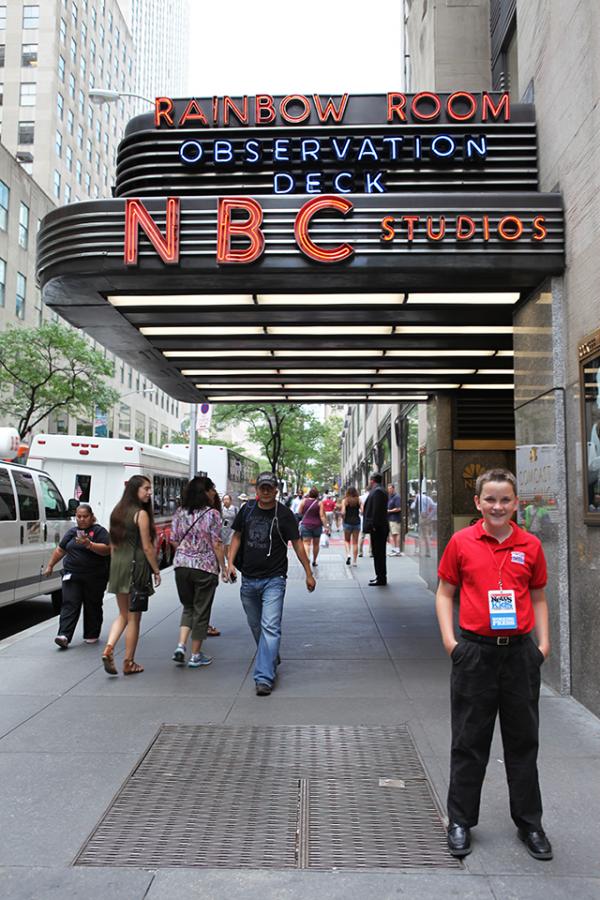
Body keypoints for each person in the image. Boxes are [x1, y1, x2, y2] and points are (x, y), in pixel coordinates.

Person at [435, 468, 552, 861]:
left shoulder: (531, 545)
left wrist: (543, 644)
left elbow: (537, 596)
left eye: (505, 500)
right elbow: (445, 592)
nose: (498, 506)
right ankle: (460, 821)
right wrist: (451, 643)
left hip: (519, 654)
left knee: (523, 741)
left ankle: (530, 823)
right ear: (478, 503)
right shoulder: (461, 542)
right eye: (491, 499)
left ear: (516, 503)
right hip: (475, 653)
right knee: (469, 742)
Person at [227, 471, 315, 696]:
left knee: (270, 626)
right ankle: (271, 655)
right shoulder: (246, 511)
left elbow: (297, 544)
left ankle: (264, 677)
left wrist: (308, 572)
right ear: (256, 490)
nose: (265, 491)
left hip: (274, 579)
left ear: (276, 490)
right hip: (248, 578)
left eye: (269, 487)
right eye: (262, 487)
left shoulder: (284, 514)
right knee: (256, 625)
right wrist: (229, 564)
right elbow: (236, 536)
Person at [102, 475, 161, 676]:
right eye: (146, 488)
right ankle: (129, 662)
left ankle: (109, 648)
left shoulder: (116, 512)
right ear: (135, 489)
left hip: (118, 566)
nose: (149, 492)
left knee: (123, 614)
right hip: (136, 568)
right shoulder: (141, 514)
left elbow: (113, 544)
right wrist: (156, 570)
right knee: (134, 618)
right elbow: (147, 547)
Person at [170, 476, 227, 668]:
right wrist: (224, 568)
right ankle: (195, 655)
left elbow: (174, 539)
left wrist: (186, 552)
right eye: (212, 489)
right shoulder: (213, 514)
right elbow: (217, 544)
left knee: (188, 607)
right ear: (205, 492)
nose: (214, 493)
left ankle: (180, 646)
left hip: (181, 566)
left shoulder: (180, 512)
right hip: (205, 568)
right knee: (201, 611)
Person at [45, 503, 110, 649]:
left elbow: (107, 550)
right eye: (79, 516)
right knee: (69, 603)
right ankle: (64, 635)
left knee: (92, 605)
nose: (81, 519)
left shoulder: (99, 531)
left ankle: (91, 634)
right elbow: (60, 550)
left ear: (91, 517)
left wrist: (89, 544)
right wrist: (50, 565)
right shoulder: (72, 532)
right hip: (72, 575)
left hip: (94, 576)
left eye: (85, 516)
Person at [362, 473, 389, 586]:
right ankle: (379, 576)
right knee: (377, 553)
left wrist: (373, 525)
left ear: (372, 480)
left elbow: (377, 511)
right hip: (378, 527)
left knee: (379, 553)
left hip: (378, 528)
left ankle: (381, 578)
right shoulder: (379, 490)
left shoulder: (378, 491)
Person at [298, 487, 327, 566]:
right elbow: (322, 516)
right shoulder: (319, 503)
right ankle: (314, 560)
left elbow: (299, 512)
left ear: (309, 494)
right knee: (316, 544)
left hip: (306, 525)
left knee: (306, 543)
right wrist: (326, 526)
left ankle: (307, 558)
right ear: (317, 495)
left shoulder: (304, 501)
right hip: (317, 526)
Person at [341, 486, 362, 566]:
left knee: (347, 540)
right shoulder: (358, 500)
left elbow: (343, 512)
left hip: (347, 522)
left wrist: (343, 517)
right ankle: (355, 562)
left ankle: (348, 554)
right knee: (355, 542)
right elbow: (363, 510)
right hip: (356, 522)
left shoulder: (345, 500)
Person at [387, 483, 402, 556]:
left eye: (390, 488)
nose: (389, 490)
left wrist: (389, 511)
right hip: (390, 518)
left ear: (393, 488)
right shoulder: (390, 497)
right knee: (393, 534)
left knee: (396, 533)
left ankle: (397, 549)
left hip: (395, 518)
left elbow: (398, 508)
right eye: (388, 488)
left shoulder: (397, 497)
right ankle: (395, 549)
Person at [358, 486, 371, 557]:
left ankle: (360, 552)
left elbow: (360, 510)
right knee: (371, 536)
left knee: (362, 536)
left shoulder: (360, 498)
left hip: (362, 518)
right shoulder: (372, 497)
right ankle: (371, 552)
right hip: (371, 518)